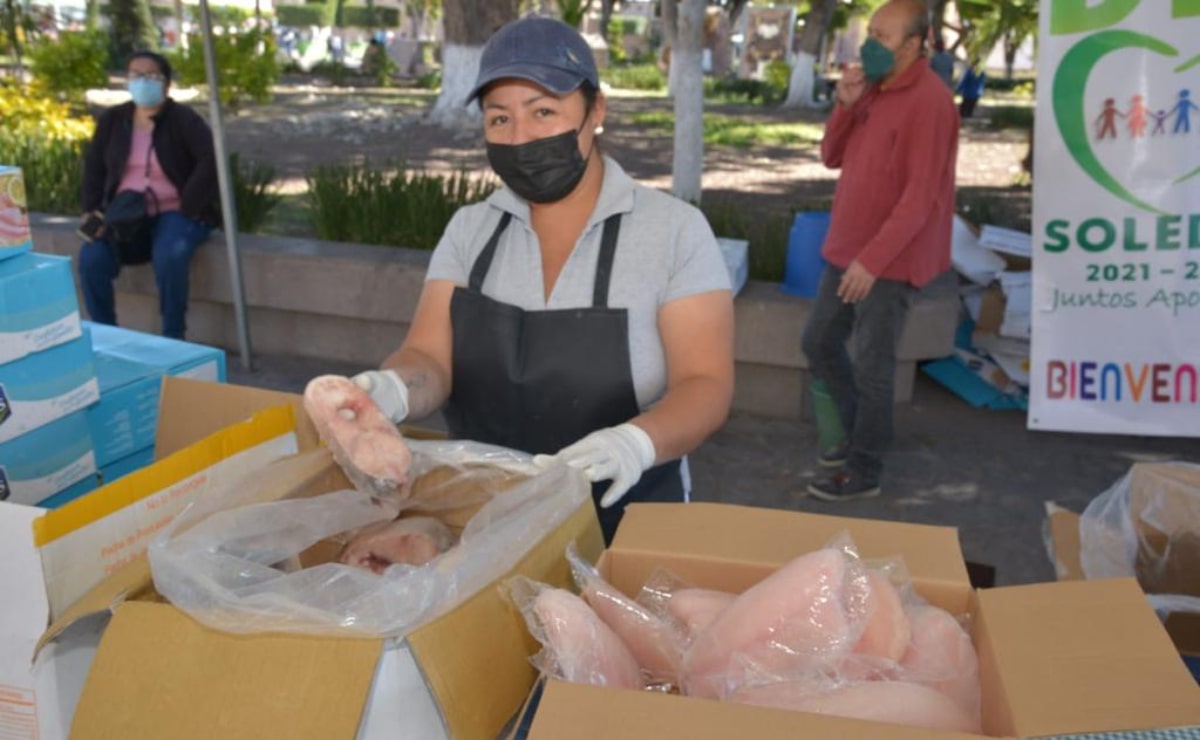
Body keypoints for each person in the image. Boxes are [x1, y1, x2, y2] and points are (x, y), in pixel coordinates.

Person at [344, 17, 734, 544]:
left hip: (628, 521)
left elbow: (705, 384)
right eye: (499, 118)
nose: (520, 137)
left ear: (596, 111)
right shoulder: (471, 231)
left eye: (543, 111)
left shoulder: (673, 232)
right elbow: (430, 358)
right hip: (486, 518)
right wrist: (392, 388)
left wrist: (636, 443)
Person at [801, 0, 958, 501]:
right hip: (846, 248)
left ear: (916, 45)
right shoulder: (873, 86)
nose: (870, 43)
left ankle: (863, 469)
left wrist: (874, 260)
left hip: (889, 260)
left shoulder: (931, 102)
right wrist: (845, 106)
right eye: (870, 31)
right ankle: (854, 434)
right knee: (819, 341)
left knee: (873, 363)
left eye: (883, 36)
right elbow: (832, 156)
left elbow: (921, 197)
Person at [78, 51, 219, 340]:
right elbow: (94, 166)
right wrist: (91, 209)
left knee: (170, 254)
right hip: (124, 212)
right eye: (135, 75)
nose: (142, 82)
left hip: (175, 211)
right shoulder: (114, 120)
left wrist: (188, 206)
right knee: (91, 259)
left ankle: (173, 336)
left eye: (151, 76)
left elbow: (210, 160)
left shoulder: (183, 120)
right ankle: (106, 336)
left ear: (166, 84)